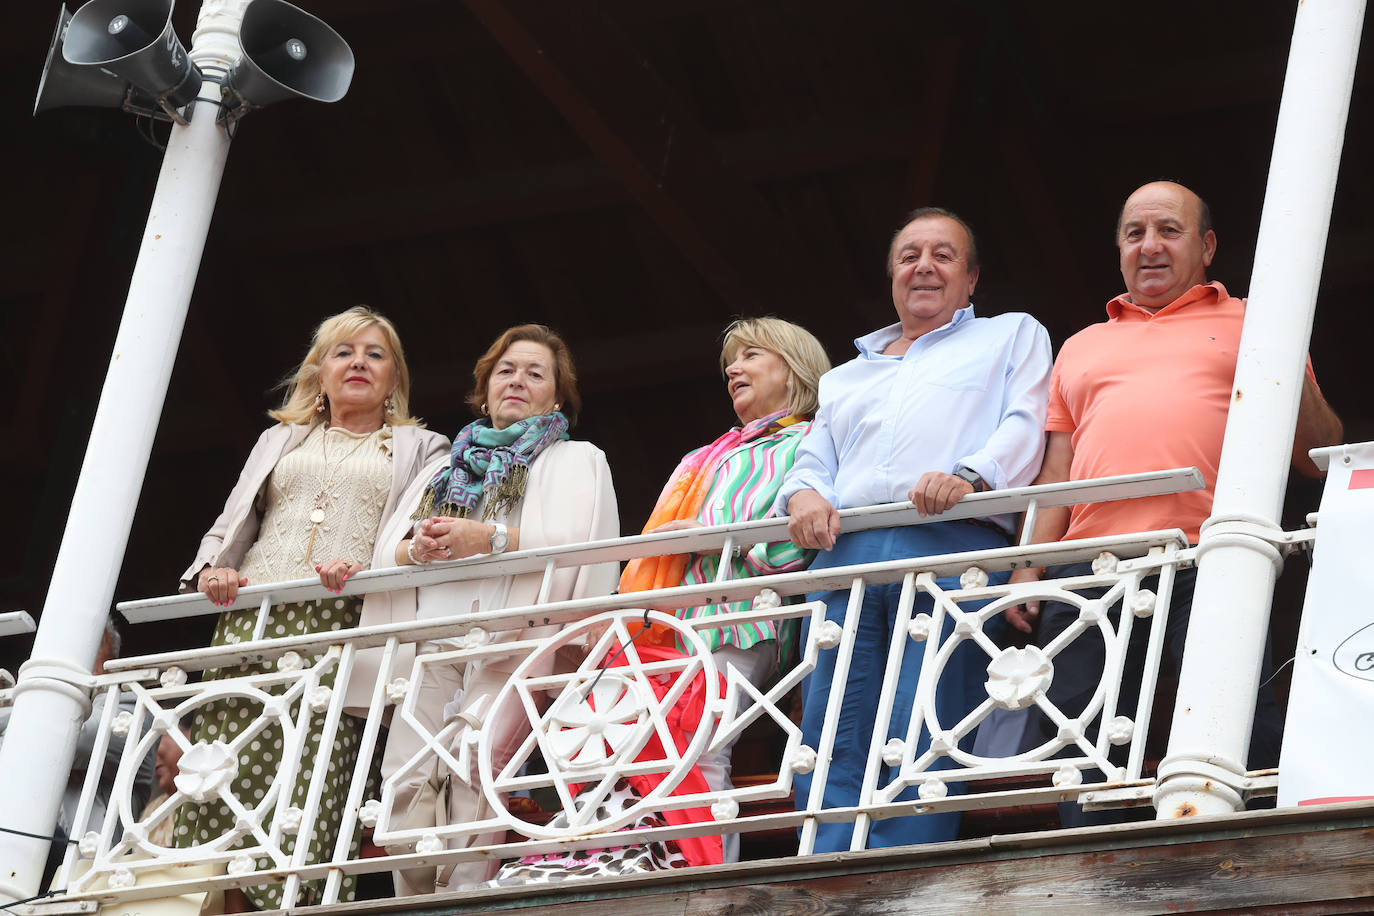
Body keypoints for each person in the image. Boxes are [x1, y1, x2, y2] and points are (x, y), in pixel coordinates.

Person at [1005, 181, 1343, 826]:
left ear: (1207, 246)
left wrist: (1283, 349)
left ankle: (1257, 850)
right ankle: (1083, 864)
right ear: (1119, 250)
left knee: (1235, 716)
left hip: (1211, 554)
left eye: (1169, 230)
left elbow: (1316, 453)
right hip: (1090, 568)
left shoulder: (1255, 319)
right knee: (1078, 735)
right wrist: (1029, 564)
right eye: (1135, 233)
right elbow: (1058, 466)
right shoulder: (1080, 344)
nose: (1150, 246)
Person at [778, 207, 1053, 852]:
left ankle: (905, 865)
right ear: (892, 276)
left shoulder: (1010, 335)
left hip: (953, 546)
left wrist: (970, 474)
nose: (924, 266)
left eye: (943, 255)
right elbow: (814, 460)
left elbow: (1025, 423)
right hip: (847, 557)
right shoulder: (845, 376)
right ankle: (827, 862)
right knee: (832, 723)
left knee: (925, 716)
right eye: (909, 256)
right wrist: (806, 496)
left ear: (972, 277)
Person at [174, 306, 450, 910]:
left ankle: (292, 902)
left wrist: (368, 564)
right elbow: (235, 520)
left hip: (342, 619)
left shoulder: (424, 446)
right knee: (226, 767)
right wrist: (216, 566)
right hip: (253, 616)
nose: (358, 363)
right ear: (319, 372)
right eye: (343, 352)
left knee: (311, 775)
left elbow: (411, 533)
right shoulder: (279, 437)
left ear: (394, 378)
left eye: (375, 354)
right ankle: (220, 901)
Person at [364, 324, 619, 895]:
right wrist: (417, 548)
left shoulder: (575, 459)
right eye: (506, 370)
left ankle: (463, 899)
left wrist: (491, 538)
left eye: (535, 373)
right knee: (402, 785)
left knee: (473, 765)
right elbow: (387, 549)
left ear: (556, 397)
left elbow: (577, 539)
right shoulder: (440, 468)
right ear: (484, 389)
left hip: (515, 641)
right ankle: (414, 900)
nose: (518, 381)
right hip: (431, 641)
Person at [619, 317, 830, 862]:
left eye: (752, 355)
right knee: (637, 747)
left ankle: (707, 880)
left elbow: (802, 541)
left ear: (795, 369)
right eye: (731, 362)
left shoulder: (811, 443)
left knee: (702, 745)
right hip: (671, 623)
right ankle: (653, 868)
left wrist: (714, 544)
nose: (734, 368)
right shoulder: (709, 456)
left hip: (745, 618)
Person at [1, 619, 156, 889]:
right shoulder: (30, 713)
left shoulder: (132, 707)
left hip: (84, 875)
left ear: (106, 661)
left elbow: (73, 736)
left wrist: (19, 710)